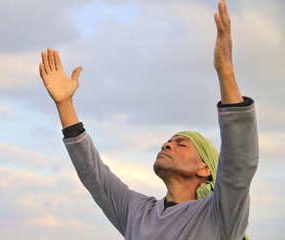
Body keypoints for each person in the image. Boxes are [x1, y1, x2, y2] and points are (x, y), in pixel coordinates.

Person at [39, 0, 258, 239]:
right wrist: (65, 104)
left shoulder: (219, 216)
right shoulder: (136, 212)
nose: (167, 145)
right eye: (169, 141)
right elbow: (95, 176)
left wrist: (225, 70)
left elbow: (239, 164)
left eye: (181, 143)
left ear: (205, 168)